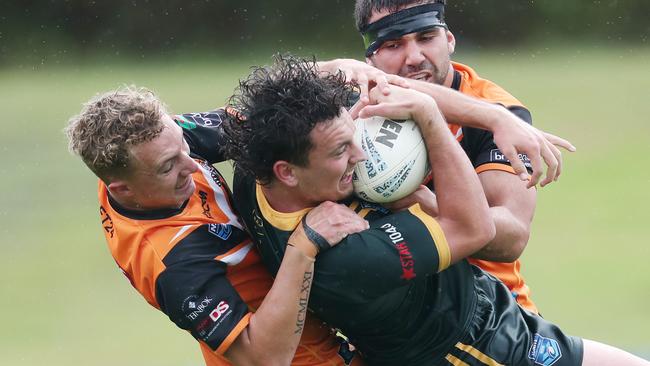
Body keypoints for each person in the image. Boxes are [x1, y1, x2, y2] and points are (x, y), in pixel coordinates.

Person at [224, 54, 649, 365]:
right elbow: (474, 228)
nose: (360, 154)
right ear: (289, 172)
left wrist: (494, 117)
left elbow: (316, 85)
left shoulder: (257, 167)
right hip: (475, 346)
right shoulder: (347, 256)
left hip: (469, 324)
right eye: (340, 149)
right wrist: (429, 119)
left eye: (353, 134)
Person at [65, 86, 370, 365]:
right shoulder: (171, 263)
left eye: (184, 146)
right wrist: (303, 245)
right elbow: (263, 359)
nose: (192, 164)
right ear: (123, 190)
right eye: (168, 167)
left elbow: (258, 122)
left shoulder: (156, 144)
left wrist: (330, 78)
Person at [347, 0, 560, 313]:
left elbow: (513, 235)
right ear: (369, 58)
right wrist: (339, 69)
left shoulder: (499, 112)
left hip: (493, 313)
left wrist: (430, 207)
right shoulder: (355, 100)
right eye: (393, 44)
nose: (414, 58)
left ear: (449, 40)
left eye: (426, 37)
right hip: (394, 316)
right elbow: (278, 81)